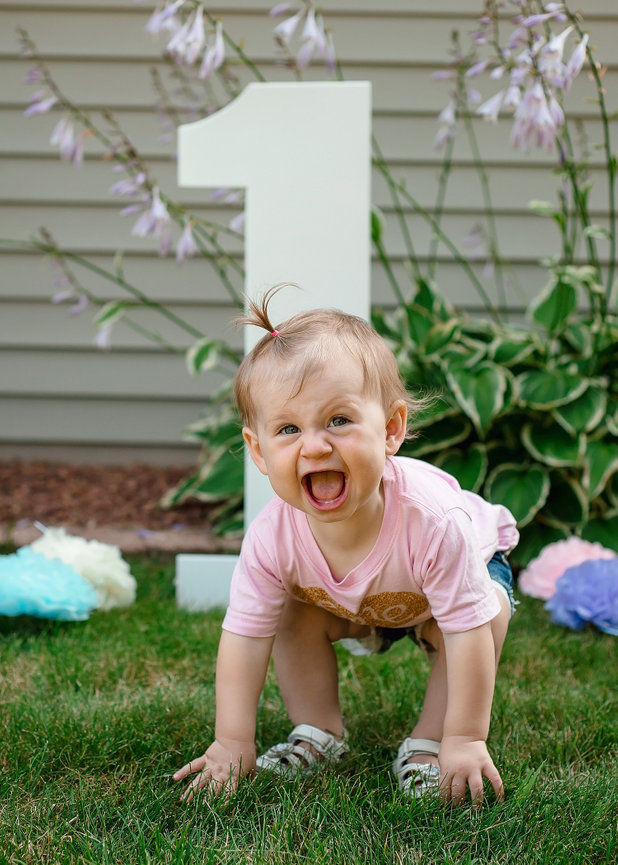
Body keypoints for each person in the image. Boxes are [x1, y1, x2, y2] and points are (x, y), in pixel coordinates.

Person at [173, 285, 519, 806]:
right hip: (355, 599)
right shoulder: (272, 537)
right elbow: (244, 637)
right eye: (288, 429)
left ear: (391, 429)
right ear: (258, 451)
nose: (315, 445)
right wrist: (232, 740)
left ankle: (429, 745)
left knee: (483, 616)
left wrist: (466, 738)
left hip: (462, 575)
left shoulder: (433, 523)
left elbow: (467, 633)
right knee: (289, 611)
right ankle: (318, 732)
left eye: (339, 420)